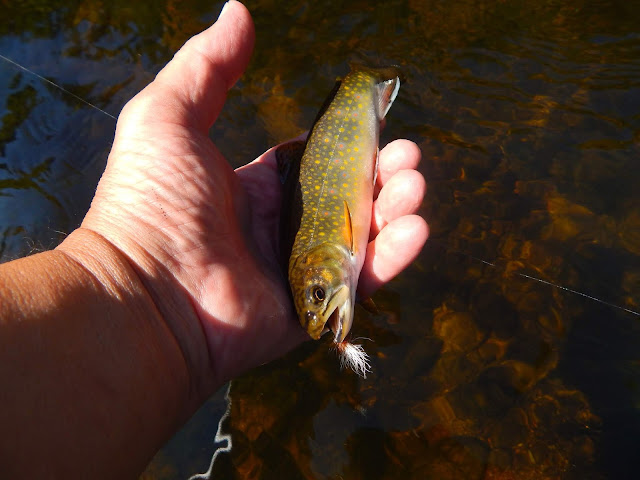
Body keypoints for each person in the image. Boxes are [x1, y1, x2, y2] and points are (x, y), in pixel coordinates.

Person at [0, 1, 428, 477]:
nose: (322, 308)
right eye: (317, 296)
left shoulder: (328, 251)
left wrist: (132, 273)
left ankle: (369, 82)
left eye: (317, 294)